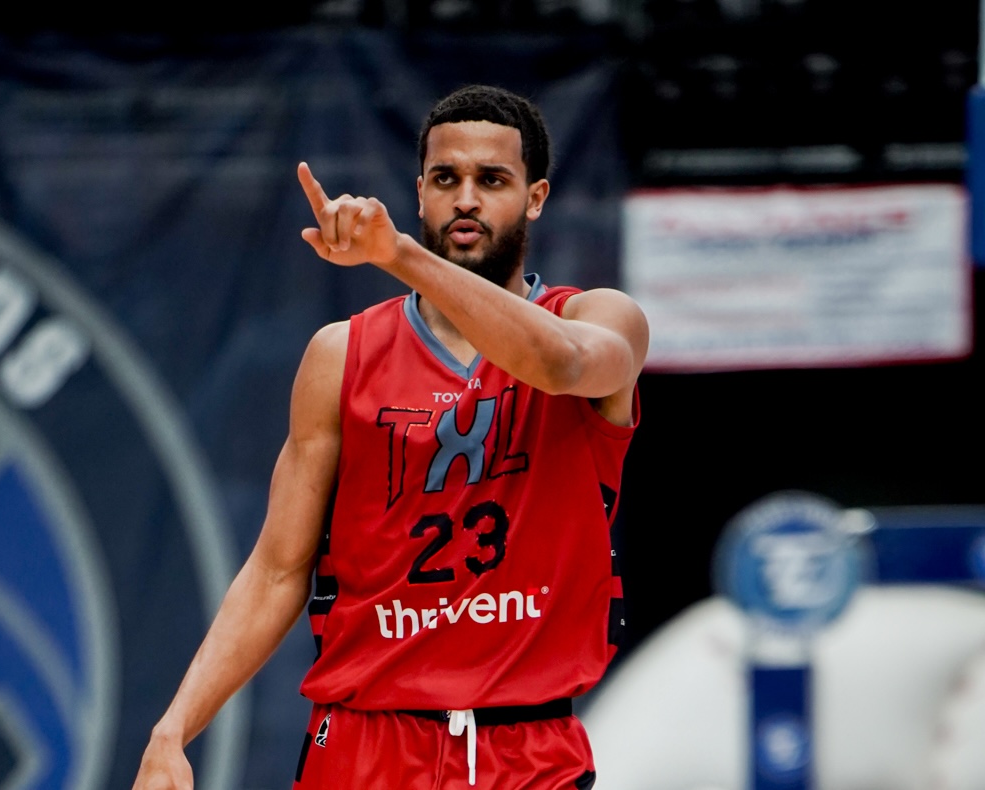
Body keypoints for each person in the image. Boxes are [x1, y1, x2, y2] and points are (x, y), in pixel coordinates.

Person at [132, 84, 648, 790]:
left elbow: (560, 365)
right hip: (366, 743)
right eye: (446, 179)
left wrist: (398, 255)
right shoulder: (340, 354)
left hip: (528, 747)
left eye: (492, 180)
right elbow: (277, 570)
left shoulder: (600, 318)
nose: (466, 200)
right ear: (420, 192)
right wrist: (173, 729)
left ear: (535, 198)